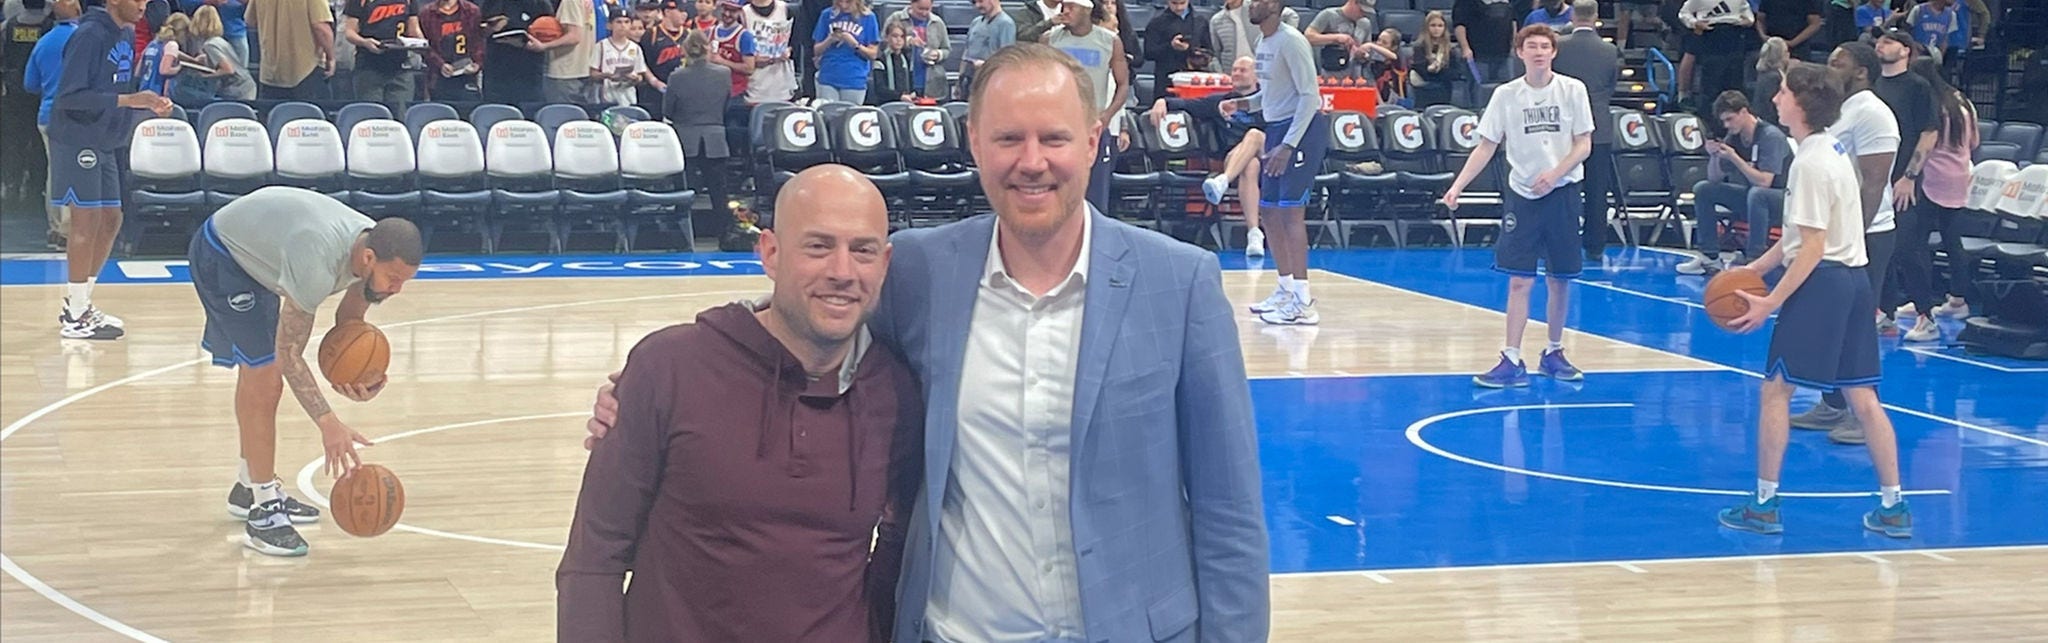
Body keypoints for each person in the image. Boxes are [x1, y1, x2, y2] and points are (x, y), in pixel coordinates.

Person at [587, 41, 1270, 643]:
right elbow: (805, 305)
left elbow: (1230, 515)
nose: (1032, 162)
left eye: (1054, 138)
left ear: (1093, 140)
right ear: (973, 141)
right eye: (1008, 139)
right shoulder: (919, 269)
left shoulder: (1178, 283)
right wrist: (656, 379)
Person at [557, 165, 919, 642]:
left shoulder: (895, 391)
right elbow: (594, 559)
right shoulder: (670, 367)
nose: (842, 271)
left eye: (863, 250)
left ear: (885, 263)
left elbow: (897, 547)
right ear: (770, 252)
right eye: (818, 245)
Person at [1716, 61, 1912, 539]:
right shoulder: (1834, 150)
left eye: (1783, 91)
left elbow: (1813, 247)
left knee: (1776, 390)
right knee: (1863, 397)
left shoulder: (1807, 162)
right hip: (1855, 281)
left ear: (1801, 103)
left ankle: (1763, 504)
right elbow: (1799, 238)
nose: (1776, 97)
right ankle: (1893, 508)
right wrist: (1755, 270)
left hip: (1821, 283)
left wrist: (1772, 301)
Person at [189, 186, 421, 556]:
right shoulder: (317, 261)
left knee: (260, 375)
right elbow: (289, 355)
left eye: (405, 280)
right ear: (368, 257)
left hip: (262, 258)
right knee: (265, 376)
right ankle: (263, 510)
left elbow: (349, 320)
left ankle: (248, 486)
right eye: (393, 278)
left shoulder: (369, 246)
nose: (397, 289)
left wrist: (354, 379)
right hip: (222, 255)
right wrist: (329, 423)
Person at [1443, 23, 1594, 387]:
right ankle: (1511, 357)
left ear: (1554, 52)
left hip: (1563, 193)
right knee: (1519, 281)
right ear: (1520, 52)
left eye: (1545, 46)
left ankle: (1554, 351)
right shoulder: (1507, 95)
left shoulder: (1573, 90)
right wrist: (1457, 186)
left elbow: (1583, 144)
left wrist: (1555, 173)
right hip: (1523, 196)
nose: (1539, 51)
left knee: (1560, 280)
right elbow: (1486, 145)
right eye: (1532, 46)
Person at [1792, 41, 1900, 445]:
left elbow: (1874, 181)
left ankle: (1863, 412)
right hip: (1839, 234)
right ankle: (1832, 403)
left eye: (1838, 63)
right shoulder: (1840, 111)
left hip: (1867, 234)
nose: (1829, 67)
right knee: (1835, 325)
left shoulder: (1873, 112)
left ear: (1861, 72)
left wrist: (1855, 235)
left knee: (1858, 327)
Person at [48, 0, 170, 340]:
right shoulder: (89, 34)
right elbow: (70, 97)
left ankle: (82, 303)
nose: (143, 5)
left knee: (112, 218)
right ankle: (74, 314)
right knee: (85, 221)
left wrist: (146, 104)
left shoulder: (127, 34)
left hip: (103, 139)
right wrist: (130, 101)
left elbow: (116, 90)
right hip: (76, 138)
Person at [1223, 0, 1325, 325]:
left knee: (1291, 212)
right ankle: (1284, 287)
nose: (1253, 4)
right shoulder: (1262, 41)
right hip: (1278, 127)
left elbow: (1310, 96)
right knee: (1268, 209)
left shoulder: (1293, 41)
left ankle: (1304, 301)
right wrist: (1242, 102)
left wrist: (1289, 144)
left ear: (1277, 6)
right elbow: (1270, 95)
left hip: (1302, 130)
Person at [1895, 55, 1974, 335]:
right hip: (1960, 176)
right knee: (1953, 239)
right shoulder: (1962, 102)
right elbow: (1974, 141)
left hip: (1933, 178)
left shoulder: (1932, 106)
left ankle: (1922, 301)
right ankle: (1958, 299)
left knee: (1917, 240)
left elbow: (1926, 144)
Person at [1678, 90, 1792, 274]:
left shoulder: (1770, 136)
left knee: (1758, 194)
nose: (1726, 125)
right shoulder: (1734, 137)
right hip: (1754, 199)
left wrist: (1734, 157)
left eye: (1730, 119)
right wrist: (1714, 156)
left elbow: (1764, 182)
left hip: (1784, 199)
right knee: (1704, 189)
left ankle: (1754, 258)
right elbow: (1714, 178)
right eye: (1723, 121)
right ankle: (1710, 256)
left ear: (1744, 112)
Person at [1043, 0, 1131, 218]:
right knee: (1057, 194)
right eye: (1063, 6)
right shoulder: (1050, 39)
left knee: (1096, 198)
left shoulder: (1110, 41)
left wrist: (1108, 115)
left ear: (1087, 10)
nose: (1065, 11)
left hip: (1094, 128)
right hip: (1058, 128)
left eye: (1071, 7)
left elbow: (1124, 84)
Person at [1170, 56, 1264, 255]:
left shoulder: (1267, 100)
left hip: (1269, 154)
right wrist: (1163, 102)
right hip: (1235, 158)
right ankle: (1254, 233)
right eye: (1235, 70)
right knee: (1250, 166)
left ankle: (1223, 181)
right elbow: (1186, 104)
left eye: (1243, 70)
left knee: (1254, 135)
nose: (1237, 73)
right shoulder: (1220, 101)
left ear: (1257, 75)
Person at [1550, 0, 1616, 260]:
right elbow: (1611, 86)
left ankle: (1561, 240)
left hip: (1565, 129)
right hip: (1598, 126)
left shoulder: (1560, 47)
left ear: (1573, 16)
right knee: (1597, 190)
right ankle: (1595, 245)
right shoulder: (1609, 50)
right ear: (1596, 16)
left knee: (1562, 185)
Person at [19, 0, 79, 251]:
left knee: (54, 173)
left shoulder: (43, 43)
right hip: (75, 117)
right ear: (77, 10)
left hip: (47, 115)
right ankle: (67, 231)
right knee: (74, 173)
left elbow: (30, 84)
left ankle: (55, 229)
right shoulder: (83, 39)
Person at [342, 0, 421, 112]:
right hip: (369, 66)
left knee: (400, 116)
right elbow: (350, 32)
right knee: (372, 116)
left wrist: (422, 44)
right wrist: (365, 42)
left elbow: (414, 30)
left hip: (400, 68)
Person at [811, 0, 877, 103]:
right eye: (840, 1)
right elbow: (816, 50)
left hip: (854, 79)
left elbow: (873, 54)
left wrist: (854, 44)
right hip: (828, 77)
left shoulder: (868, 18)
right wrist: (829, 40)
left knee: (850, 116)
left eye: (848, 2)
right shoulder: (827, 15)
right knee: (828, 115)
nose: (843, 5)